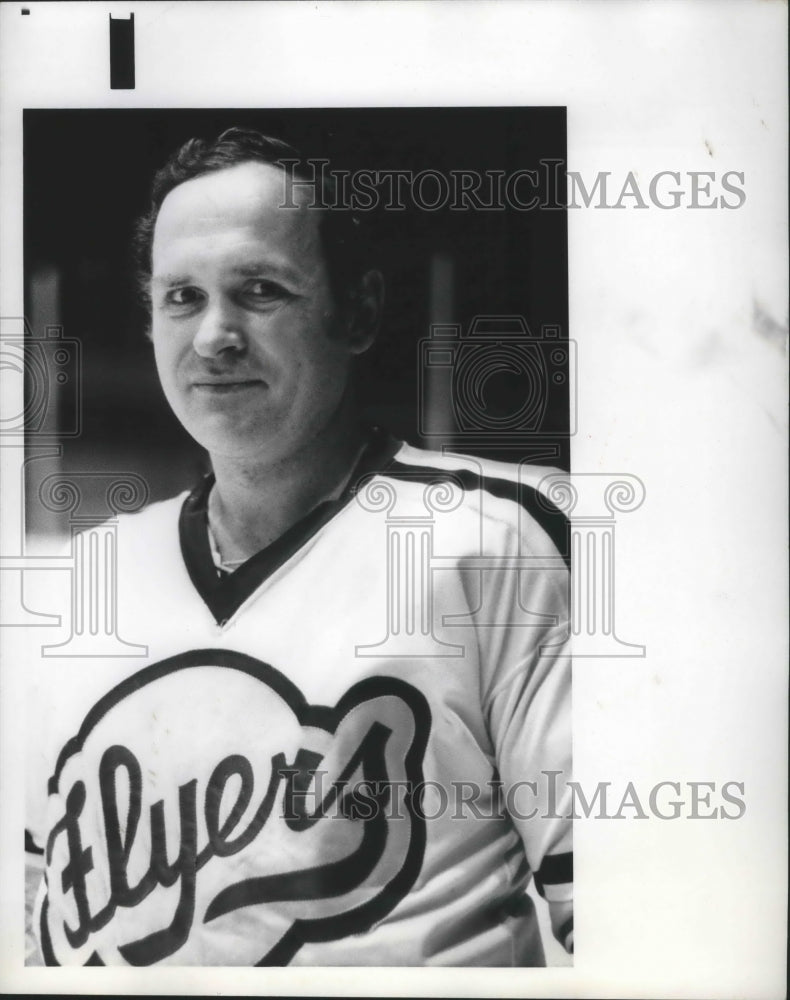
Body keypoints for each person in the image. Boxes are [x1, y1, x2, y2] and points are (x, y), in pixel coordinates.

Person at [25, 128, 573, 967]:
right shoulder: (84, 579)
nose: (213, 336)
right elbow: (35, 917)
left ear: (357, 313)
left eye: (259, 290)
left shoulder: (496, 536)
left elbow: (634, 913)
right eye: (181, 297)